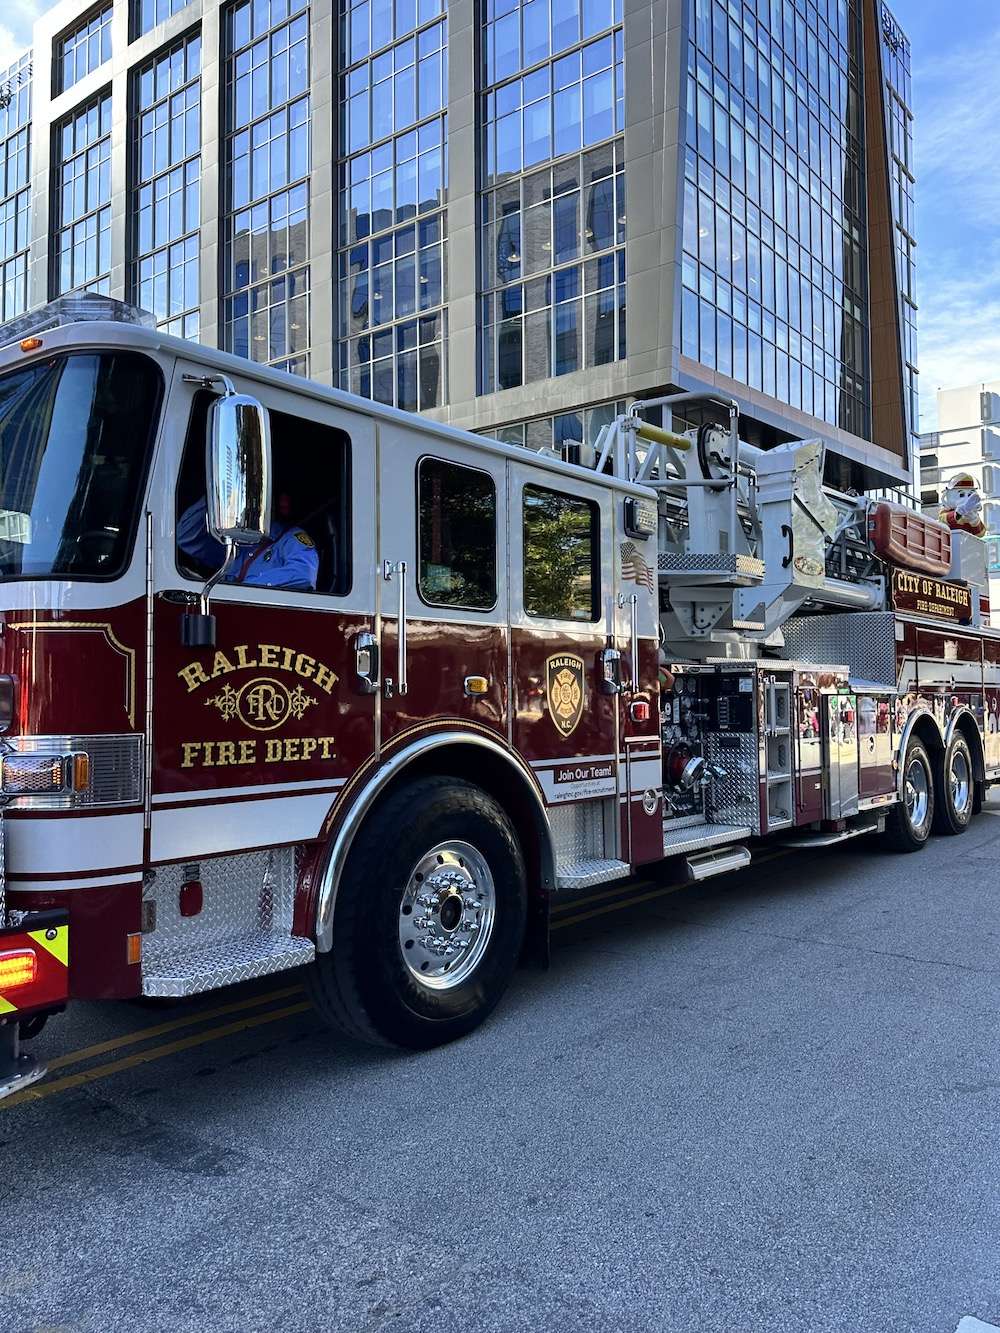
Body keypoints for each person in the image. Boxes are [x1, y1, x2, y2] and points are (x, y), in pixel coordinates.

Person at [177, 492, 319, 592]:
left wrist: (242, 588)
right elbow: (187, 538)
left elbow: (303, 575)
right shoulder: (239, 539)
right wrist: (218, 495)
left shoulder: (291, 538)